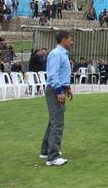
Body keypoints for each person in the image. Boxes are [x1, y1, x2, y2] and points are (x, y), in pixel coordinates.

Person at [40, 30, 74, 166]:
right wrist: (60, 91)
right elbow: (53, 74)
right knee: (57, 122)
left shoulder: (62, 54)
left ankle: (45, 151)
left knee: (53, 120)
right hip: (54, 90)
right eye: (70, 39)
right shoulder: (56, 54)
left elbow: (62, 73)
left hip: (58, 89)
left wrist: (67, 88)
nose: (72, 42)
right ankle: (53, 157)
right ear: (63, 40)